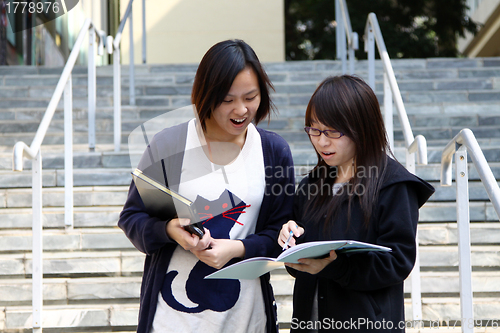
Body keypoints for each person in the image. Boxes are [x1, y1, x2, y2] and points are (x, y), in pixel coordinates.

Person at [119, 39, 295, 333]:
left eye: (251, 97)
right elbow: (133, 218)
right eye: (227, 100)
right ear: (206, 95)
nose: (241, 109)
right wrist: (169, 230)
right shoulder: (169, 144)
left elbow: (280, 234)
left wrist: (237, 248)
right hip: (170, 320)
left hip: (246, 318)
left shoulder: (273, 151)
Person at [277, 75, 435, 332]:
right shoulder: (311, 186)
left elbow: (398, 262)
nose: (321, 141)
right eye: (314, 130)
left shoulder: (393, 185)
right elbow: (298, 269)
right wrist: (290, 241)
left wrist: (335, 266)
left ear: (362, 128)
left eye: (332, 132)